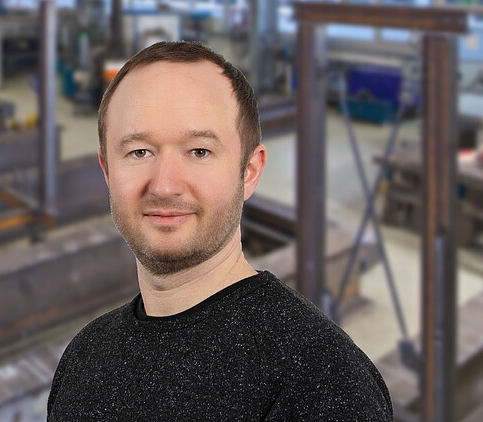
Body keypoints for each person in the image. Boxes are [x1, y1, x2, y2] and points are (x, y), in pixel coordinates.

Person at [47, 41, 393, 421]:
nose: (164, 186)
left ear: (249, 172)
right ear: (108, 172)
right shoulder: (85, 357)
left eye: (199, 151)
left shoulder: (321, 381)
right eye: (139, 152)